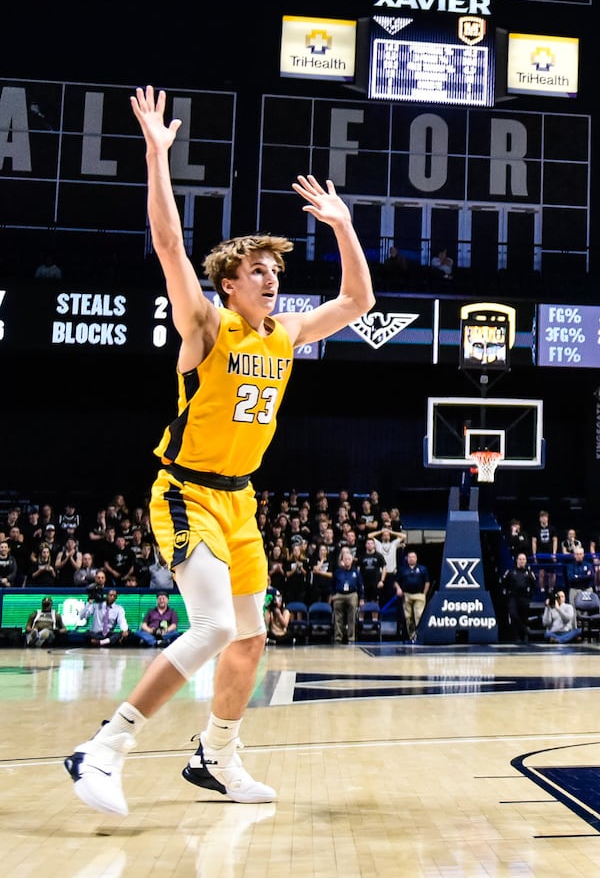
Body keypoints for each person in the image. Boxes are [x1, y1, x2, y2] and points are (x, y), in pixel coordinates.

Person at [64, 85, 375, 817]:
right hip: (186, 489)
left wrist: (343, 226)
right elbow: (169, 244)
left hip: (240, 499)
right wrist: (156, 153)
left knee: (249, 639)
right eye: (258, 270)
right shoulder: (206, 324)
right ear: (230, 283)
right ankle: (104, 747)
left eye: (276, 270)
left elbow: (357, 301)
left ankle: (217, 755)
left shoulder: (287, 333)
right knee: (210, 628)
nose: (272, 278)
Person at [396, 550, 431, 641]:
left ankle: (420, 635)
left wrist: (424, 594)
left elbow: (427, 582)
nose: (411, 559)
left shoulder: (423, 569)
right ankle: (412, 636)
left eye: (413, 557)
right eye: (409, 557)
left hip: (419, 595)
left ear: (416, 558)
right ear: (407, 559)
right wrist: (398, 588)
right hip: (407, 595)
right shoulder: (403, 569)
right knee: (408, 617)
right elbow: (396, 581)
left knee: (418, 615)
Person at [330, 546, 362, 643]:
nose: (347, 561)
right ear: (342, 561)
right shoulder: (337, 572)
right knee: (338, 617)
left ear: (352, 561)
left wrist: (362, 598)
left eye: (349, 559)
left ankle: (351, 637)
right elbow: (332, 584)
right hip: (339, 594)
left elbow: (360, 586)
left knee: (351, 616)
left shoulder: (356, 572)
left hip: (352, 594)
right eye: (345, 559)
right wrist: (333, 595)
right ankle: (338, 637)